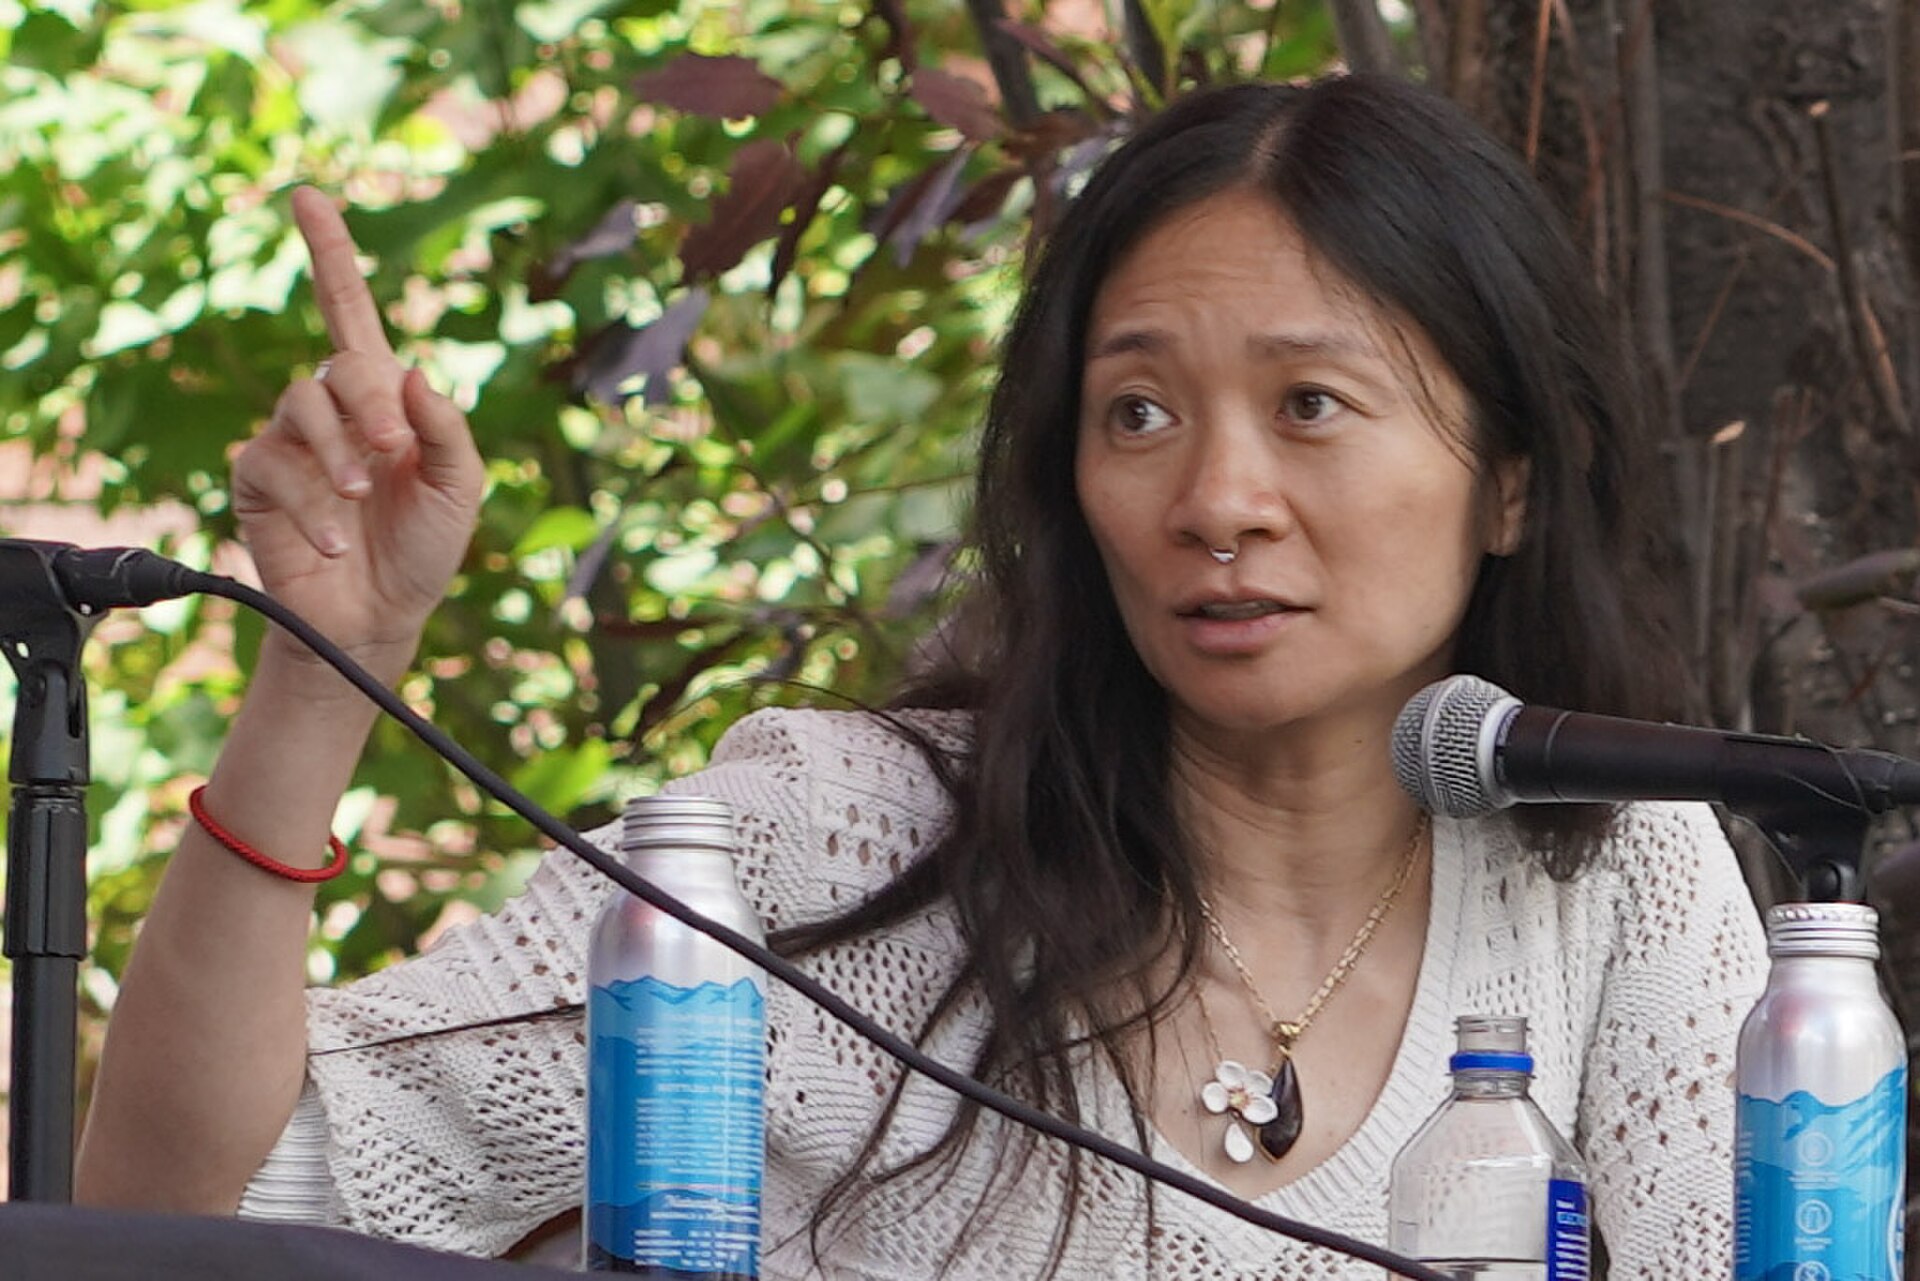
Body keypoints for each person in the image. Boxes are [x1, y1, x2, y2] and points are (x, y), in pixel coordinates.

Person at [74, 72, 1767, 1277]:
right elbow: (181, 1210)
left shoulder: (1618, 872)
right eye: (1140, 411)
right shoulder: (838, 839)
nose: (1216, 500)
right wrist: (329, 671)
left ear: (1515, 479)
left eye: (1311, 404)